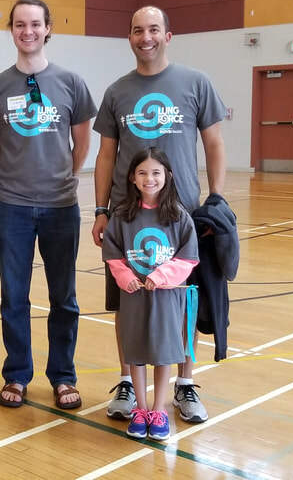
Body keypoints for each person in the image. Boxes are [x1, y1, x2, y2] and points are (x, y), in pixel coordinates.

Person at [92, 5, 227, 423]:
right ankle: (129, 384)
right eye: (137, 30)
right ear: (129, 37)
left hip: (181, 214)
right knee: (127, 301)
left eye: (153, 29)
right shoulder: (117, 91)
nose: (145, 37)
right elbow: (106, 154)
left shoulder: (195, 83)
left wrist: (216, 200)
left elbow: (214, 144)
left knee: (183, 305)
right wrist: (101, 210)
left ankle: (184, 386)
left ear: (168, 35)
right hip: (128, 217)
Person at [0, 0, 96, 410]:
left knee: (64, 296)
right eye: (19, 24)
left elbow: (82, 142)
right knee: (14, 297)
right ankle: (17, 375)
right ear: (11, 30)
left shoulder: (71, 83)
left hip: (62, 206)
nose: (27, 31)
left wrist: (63, 174)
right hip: (13, 207)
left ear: (48, 29)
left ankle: (63, 376)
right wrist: (19, 174)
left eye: (35, 24)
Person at [102, 147, 198, 440]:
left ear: (167, 176)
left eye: (156, 172)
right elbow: (114, 254)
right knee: (136, 352)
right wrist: (126, 276)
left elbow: (187, 258)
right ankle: (141, 409)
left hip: (166, 298)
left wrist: (160, 276)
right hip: (134, 296)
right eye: (142, 173)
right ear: (132, 178)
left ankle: (158, 409)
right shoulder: (122, 216)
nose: (149, 178)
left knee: (162, 353)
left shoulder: (179, 216)